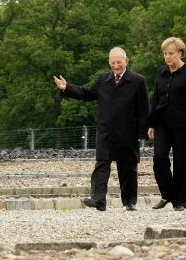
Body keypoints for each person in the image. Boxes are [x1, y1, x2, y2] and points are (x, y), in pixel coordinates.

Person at [53, 47, 150, 211]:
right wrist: (66, 87)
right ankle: (99, 200)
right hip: (105, 131)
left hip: (128, 132)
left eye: (119, 62)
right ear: (109, 62)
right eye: (112, 62)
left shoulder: (138, 80)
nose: (116, 65)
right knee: (101, 165)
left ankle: (129, 201)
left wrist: (143, 132)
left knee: (127, 168)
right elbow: (87, 93)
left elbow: (144, 108)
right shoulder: (103, 79)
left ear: (126, 61)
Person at [148, 37, 186, 211]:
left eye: (171, 53)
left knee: (181, 163)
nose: (167, 57)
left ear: (180, 53)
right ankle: (167, 194)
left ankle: (180, 201)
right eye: (165, 54)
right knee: (159, 158)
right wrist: (151, 123)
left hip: (184, 124)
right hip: (163, 123)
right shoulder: (161, 72)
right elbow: (155, 97)